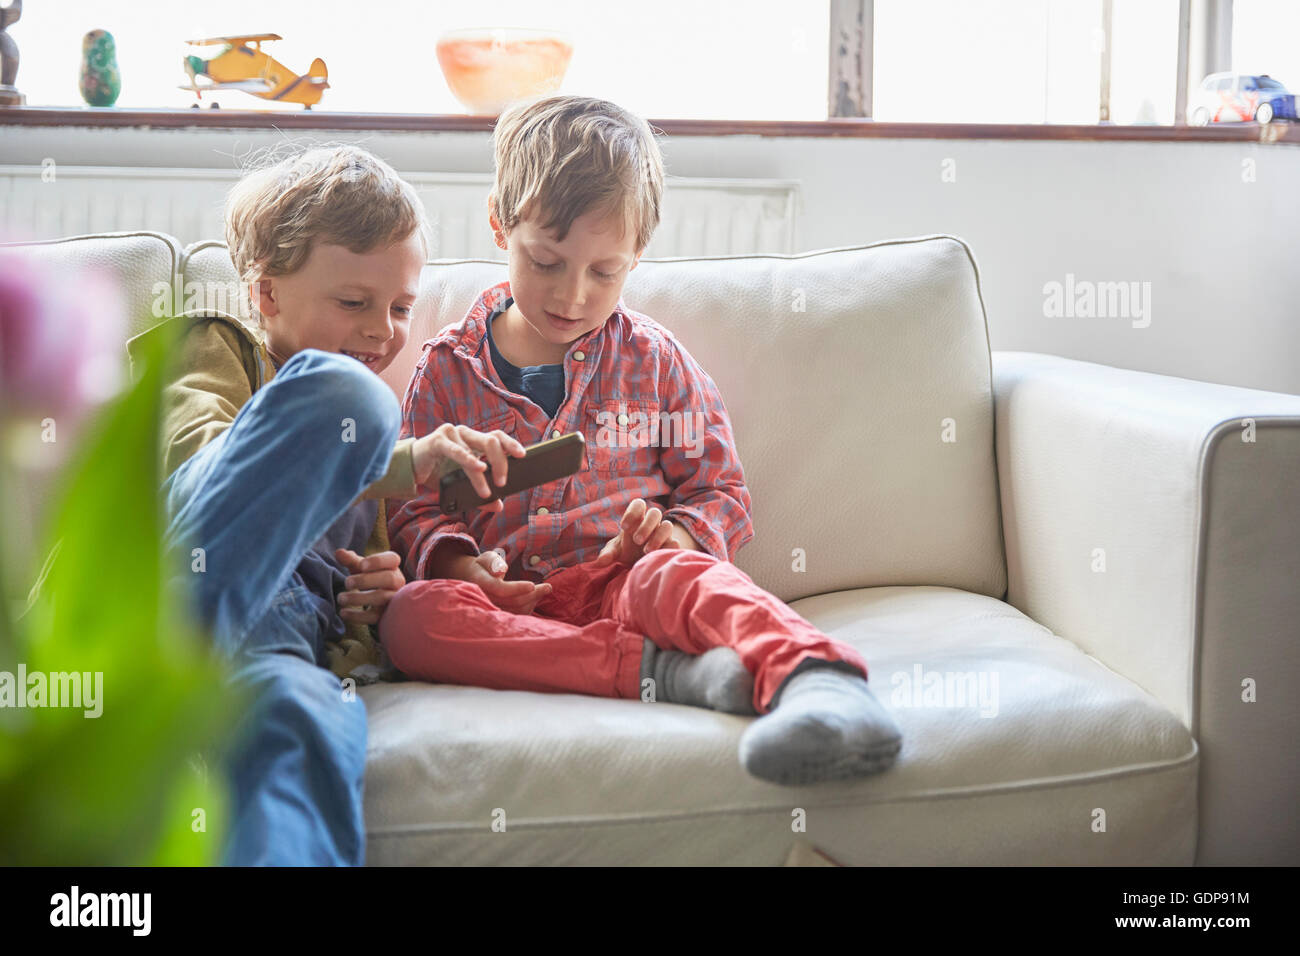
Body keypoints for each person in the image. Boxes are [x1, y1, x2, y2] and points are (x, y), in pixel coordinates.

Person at [381, 95, 903, 786]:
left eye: (604, 272)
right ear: (500, 226)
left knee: (683, 576)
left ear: (638, 256)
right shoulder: (448, 369)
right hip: (511, 608)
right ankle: (664, 675)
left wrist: (673, 539)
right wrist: (455, 564)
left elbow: (718, 488)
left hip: (626, 583)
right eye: (546, 262)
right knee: (412, 620)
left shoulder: (655, 362)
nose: (572, 295)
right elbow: (415, 505)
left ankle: (819, 682)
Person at [129, 144, 522, 865]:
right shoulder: (216, 348)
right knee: (351, 402)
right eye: (354, 303)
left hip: (269, 657)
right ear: (268, 292)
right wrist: (399, 459)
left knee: (305, 714)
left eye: (401, 307)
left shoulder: (376, 442)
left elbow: (355, 630)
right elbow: (197, 463)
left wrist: (376, 601)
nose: (382, 331)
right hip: (157, 587)